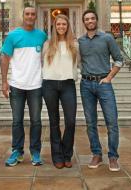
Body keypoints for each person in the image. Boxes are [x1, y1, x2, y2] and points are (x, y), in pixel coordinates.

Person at [1, 7, 47, 167]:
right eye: (27, 13)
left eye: (33, 14)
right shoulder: (13, 36)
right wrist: (4, 82)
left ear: (36, 17)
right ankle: (17, 151)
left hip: (36, 86)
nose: (30, 16)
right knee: (17, 121)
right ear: (23, 15)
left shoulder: (42, 36)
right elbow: (5, 59)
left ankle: (35, 152)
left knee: (36, 121)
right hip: (17, 85)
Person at [78, 10, 123, 172]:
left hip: (104, 83)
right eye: (87, 19)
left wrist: (109, 77)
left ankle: (113, 156)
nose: (90, 21)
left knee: (112, 122)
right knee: (91, 123)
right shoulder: (80, 41)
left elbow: (119, 60)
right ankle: (96, 153)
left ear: (96, 20)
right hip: (86, 85)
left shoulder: (107, 38)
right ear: (83, 22)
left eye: (92, 18)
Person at [42, 14, 78, 169]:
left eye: (64, 24)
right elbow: (40, 63)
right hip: (49, 85)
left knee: (70, 121)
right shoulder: (47, 44)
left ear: (68, 26)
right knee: (54, 122)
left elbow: (79, 63)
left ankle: (67, 154)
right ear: (54, 27)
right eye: (58, 24)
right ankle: (57, 156)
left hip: (68, 84)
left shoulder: (74, 44)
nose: (61, 27)